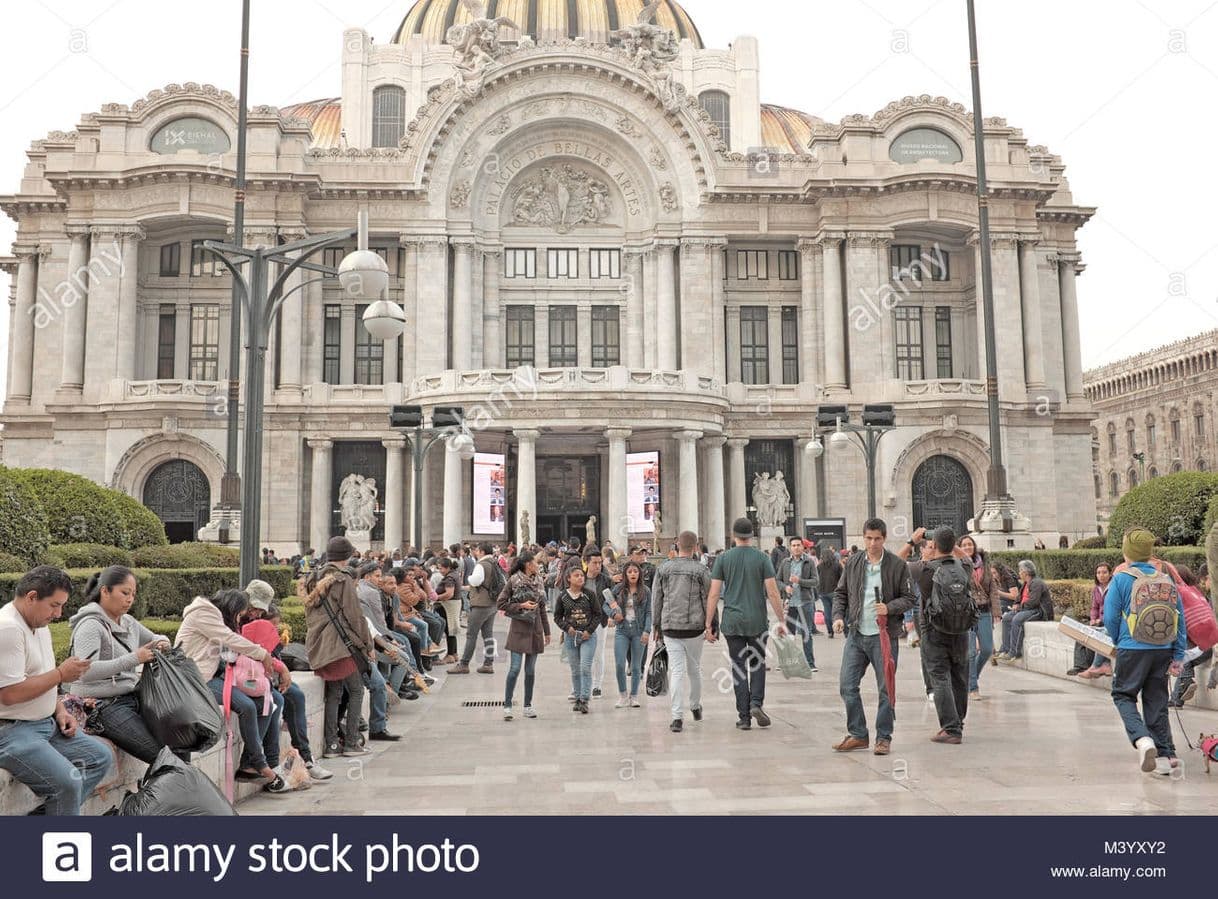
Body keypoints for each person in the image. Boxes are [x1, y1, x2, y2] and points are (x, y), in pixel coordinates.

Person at [0, 566, 112, 815]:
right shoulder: (7, 629)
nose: (59, 613)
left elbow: (43, 679)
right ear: (31, 597)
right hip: (11, 731)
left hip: (44, 724)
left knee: (100, 758)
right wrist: (61, 674)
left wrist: (59, 710)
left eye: (61, 605)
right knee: (68, 783)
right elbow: (9, 694)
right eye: (54, 605)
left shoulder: (39, 625)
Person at [175, 588, 290, 791]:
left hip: (210, 676)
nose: (241, 618)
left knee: (267, 700)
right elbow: (230, 639)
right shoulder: (204, 613)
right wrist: (263, 654)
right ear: (232, 608)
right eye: (240, 614)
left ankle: (249, 764)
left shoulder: (214, 615)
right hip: (194, 680)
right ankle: (260, 764)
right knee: (247, 705)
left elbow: (229, 649)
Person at [65, 566, 172, 763]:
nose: (130, 599)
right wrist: (134, 658)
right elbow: (85, 672)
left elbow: (156, 638)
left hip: (132, 697)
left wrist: (163, 642)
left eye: (133, 594)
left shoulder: (129, 622)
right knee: (161, 755)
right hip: (102, 705)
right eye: (125, 593)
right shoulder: (90, 625)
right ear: (105, 591)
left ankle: (175, 792)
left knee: (180, 740)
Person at [831, 518, 917, 756]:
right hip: (857, 633)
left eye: (877, 538)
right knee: (847, 685)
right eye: (868, 538)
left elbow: (910, 598)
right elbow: (841, 593)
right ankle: (858, 734)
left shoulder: (897, 565)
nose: (872, 543)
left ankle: (883, 737)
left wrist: (889, 608)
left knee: (885, 688)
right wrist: (838, 616)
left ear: (884, 538)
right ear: (863, 538)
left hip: (884, 636)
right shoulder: (854, 563)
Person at [1104, 529, 1187, 775]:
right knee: (1156, 700)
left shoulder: (1120, 579)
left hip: (1132, 647)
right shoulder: (1165, 579)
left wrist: (1120, 640)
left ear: (1127, 552)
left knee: (1123, 695)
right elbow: (1179, 621)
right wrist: (1178, 655)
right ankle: (1165, 756)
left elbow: (1110, 617)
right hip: (1163, 649)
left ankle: (1142, 739)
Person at [242, 586, 333, 781]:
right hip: (250, 679)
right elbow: (251, 653)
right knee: (275, 701)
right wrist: (280, 667)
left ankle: (306, 757)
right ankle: (269, 762)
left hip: (266, 678)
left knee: (296, 695)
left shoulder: (262, 628)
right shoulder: (245, 622)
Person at [706, 518, 787, 731]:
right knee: (757, 663)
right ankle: (756, 704)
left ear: (733, 535)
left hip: (732, 621)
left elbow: (714, 593)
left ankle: (744, 717)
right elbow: (772, 592)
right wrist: (782, 620)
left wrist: (708, 623)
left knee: (738, 667)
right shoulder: (762, 558)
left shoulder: (723, 559)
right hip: (757, 621)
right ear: (752, 536)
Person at [302, 536, 374, 759]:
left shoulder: (313, 577)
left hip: (320, 643)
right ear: (347, 556)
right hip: (339, 644)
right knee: (356, 690)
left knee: (334, 693)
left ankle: (332, 745)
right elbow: (355, 616)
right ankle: (351, 742)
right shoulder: (342, 580)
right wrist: (368, 644)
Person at [909, 528, 972, 744]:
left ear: (933, 545)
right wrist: (948, 542)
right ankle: (958, 722)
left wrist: (913, 540)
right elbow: (965, 556)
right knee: (960, 676)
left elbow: (893, 563)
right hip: (961, 629)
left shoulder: (923, 569)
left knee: (940, 677)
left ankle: (951, 728)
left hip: (933, 630)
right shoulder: (965, 567)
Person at [652, 530, 712, 732]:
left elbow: (656, 599)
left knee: (676, 671)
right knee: (694, 669)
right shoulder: (701, 570)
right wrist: (712, 625)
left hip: (670, 627)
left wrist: (656, 625)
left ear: (677, 545)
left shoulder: (663, 568)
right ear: (695, 547)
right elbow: (708, 599)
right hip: (694, 627)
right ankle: (695, 706)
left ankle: (677, 717)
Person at [498, 551, 551, 720]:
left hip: (535, 629)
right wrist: (521, 605)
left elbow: (542, 608)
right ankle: (507, 705)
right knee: (514, 669)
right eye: (535, 562)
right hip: (519, 628)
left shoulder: (539, 581)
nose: (537, 564)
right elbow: (501, 603)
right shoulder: (513, 581)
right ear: (528, 564)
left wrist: (547, 631)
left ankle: (528, 706)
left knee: (530, 671)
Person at [555, 563, 606, 713]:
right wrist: (567, 628)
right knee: (575, 669)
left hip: (588, 637)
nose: (580, 578)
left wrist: (589, 631)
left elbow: (598, 614)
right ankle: (577, 697)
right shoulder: (563, 596)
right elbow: (557, 616)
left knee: (585, 667)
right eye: (576, 575)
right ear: (569, 578)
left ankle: (584, 699)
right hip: (571, 637)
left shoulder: (590, 595)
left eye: (581, 576)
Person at [958, 535, 1001, 699]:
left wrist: (996, 611)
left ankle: (970, 676)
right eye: (964, 545)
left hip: (984, 612)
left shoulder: (984, 564)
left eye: (970, 544)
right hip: (967, 614)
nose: (968, 547)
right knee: (970, 652)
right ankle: (973, 687)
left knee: (987, 649)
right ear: (959, 548)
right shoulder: (958, 565)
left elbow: (993, 590)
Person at [605, 561, 652, 708]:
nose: (633, 574)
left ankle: (634, 696)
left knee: (636, 667)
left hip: (639, 631)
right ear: (625, 574)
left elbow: (650, 612)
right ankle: (623, 695)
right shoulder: (619, 589)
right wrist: (613, 614)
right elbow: (605, 604)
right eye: (630, 572)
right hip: (622, 630)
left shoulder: (646, 591)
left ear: (639, 574)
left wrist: (647, 631)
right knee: (620, 664)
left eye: (635, 571)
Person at [451, 543, 501, 674]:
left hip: (480, 604)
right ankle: (488, 663)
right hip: (492, 603)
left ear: (482, 551)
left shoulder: (481, 564)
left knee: (471, 635)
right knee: (488, 634)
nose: (476, 552)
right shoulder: (494, 563)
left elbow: (476, 581)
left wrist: (468, 578)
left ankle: (464, 664)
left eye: (477, 550)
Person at [776, 537, 820, 672]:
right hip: (790, 604)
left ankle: (810, 663)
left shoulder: (809, 562)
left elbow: (815, 581)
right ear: (790, 547)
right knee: (788, 635)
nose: (796, 548)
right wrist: (785, 588)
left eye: (798, 545)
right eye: (793, 545)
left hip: (805, 602)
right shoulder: (785, 563)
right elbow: (777, 580)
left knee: (806, 633)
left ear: (802, 547)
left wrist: (799, 581)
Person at [995, 561, 1054, 661]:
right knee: (1007, 618)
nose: (1019, 573)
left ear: (1025, 572)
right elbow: (1019, 597)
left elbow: (1033, 602)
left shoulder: (1037, 583)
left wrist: (1018, 608)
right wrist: (1016, 604)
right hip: (1026, 609)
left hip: (1038, 611)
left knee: (1017, 619)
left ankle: (1014, 653)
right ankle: (1005, 649)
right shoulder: (1026, 583)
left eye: (1020, 571)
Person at [1070, 563, 1113, 677]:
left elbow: (1114, 608)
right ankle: (1080, 665)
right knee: (1082, 632)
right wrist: (1093, 619)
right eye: (1098, 573)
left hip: (1109, 620)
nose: (1101, 575)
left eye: (1104, 572)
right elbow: (1094, 607)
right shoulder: (1096, 589)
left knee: (1099, 635)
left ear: (1110, 574)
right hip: (1098, 621)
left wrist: (1101, 619)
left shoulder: (1114, 587)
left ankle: (1097, 666)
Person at [583, 547, 614, 698]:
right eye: (594, 563)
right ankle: (582, 685)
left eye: (600, 562)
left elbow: (611, 600)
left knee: (598, 653)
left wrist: (612, 616)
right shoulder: (579, 578)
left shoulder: (605, 580)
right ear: (586, 563)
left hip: (600, 621)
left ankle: (597, 685)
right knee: (582, 655)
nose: (598, 566)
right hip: (582, 621)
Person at [816, 546, 841, 640]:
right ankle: (839, 627)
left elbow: (817, 579)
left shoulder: (819, 566)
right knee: (836, 610)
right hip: (834, 591)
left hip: (822, 592)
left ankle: (830, 631)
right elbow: (841, 578)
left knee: (827, 611)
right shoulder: (837, 565)